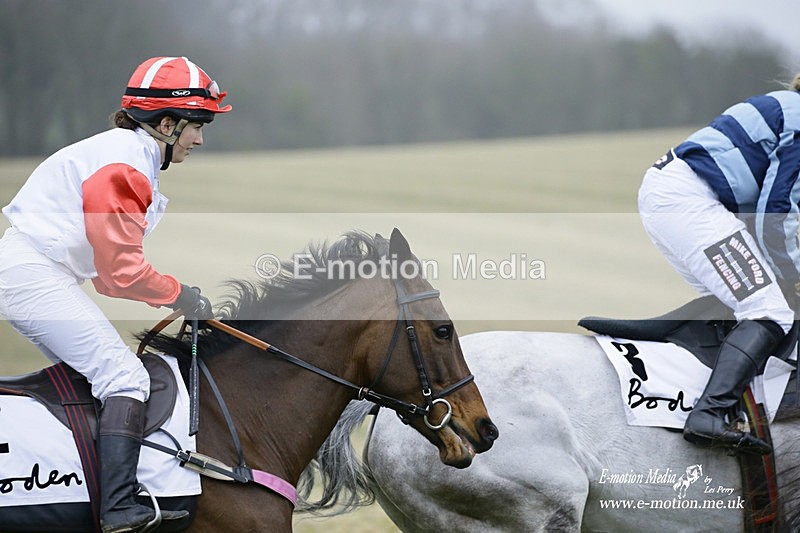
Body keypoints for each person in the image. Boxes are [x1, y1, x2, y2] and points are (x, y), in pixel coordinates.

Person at [0, 56, 230, 532]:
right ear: (166, 123)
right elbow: (121, 273)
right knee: (125, 378)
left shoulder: (130, 155)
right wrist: (182, 295)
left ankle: (77, 484)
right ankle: (120, 508)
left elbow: (109, 277)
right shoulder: (125, 165)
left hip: (40, 275)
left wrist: (174, 294)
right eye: (196, 126)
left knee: (101, 375)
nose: (200, 139)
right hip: (33, 276)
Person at [638, 73, 800, 456]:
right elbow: (775, 215)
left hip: (677, 197)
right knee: (768, 308)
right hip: (689, 200)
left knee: (746, 308)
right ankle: (708, 414)